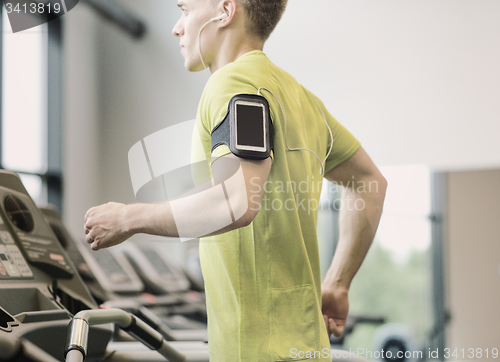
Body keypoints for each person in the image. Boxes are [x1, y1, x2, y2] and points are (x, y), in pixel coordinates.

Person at [83, 0, 387, 361]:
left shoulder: (232, 82)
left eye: (185, 10)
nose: (177, 28)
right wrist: (337, 283)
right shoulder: (304, 101)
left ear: (225, 11)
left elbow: (235, 199)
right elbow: (370, 183)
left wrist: (127, 219)